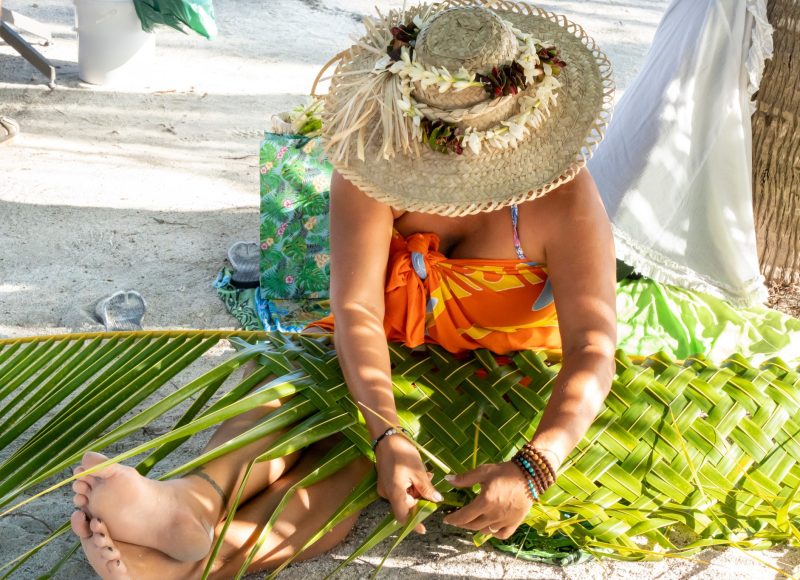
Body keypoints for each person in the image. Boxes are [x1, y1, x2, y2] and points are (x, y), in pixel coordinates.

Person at [68, 2, 617, 578]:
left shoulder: (565, 200)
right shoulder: (377, 155)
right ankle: (191, 503)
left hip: (499, 376)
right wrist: (386, 432)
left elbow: (593, 348)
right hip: (382, 341)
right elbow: (355, 308)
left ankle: (195, 564)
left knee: (345, 462)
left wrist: (535, 465)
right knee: (289, 394)